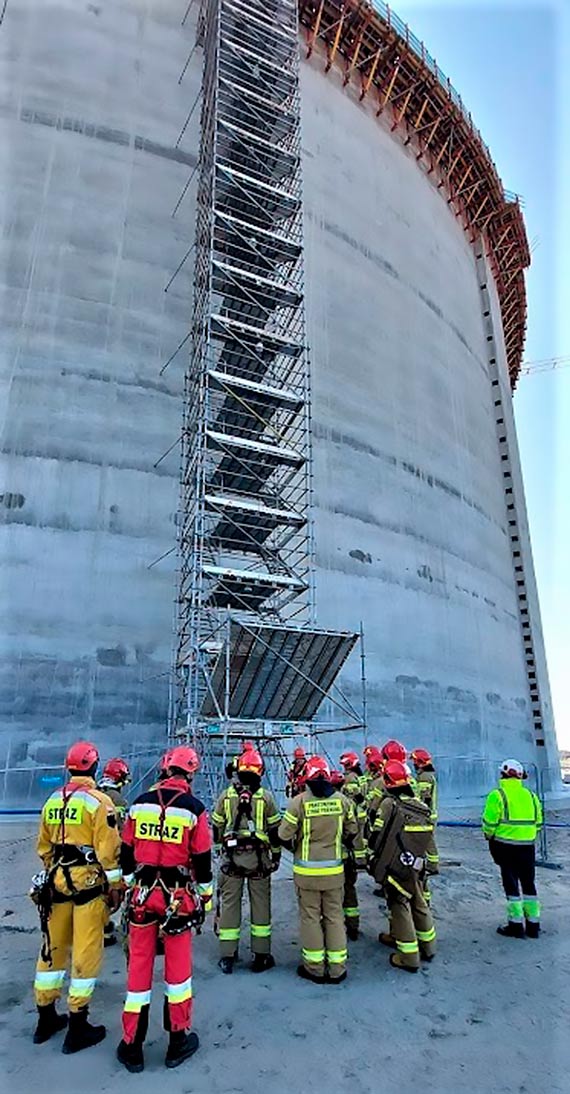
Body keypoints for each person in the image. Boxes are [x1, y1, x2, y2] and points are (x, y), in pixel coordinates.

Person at [116, 745, 213, 1073]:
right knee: (178, 974)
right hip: (177, 898)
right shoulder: (194, 808)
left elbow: (126, 852)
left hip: (142, 896)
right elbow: (202, 860)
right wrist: (205, 896)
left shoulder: (138, 803)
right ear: (190, 773)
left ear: (165, 770)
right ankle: (177, 1042)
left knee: (139, 970)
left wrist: (132, 883)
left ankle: (132, 1046)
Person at [32, 740, 122, 1052]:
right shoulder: (99, 803)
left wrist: (55, 870)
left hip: (55, 885)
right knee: (85, 952)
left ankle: (45, 1017)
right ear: (94, 767)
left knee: (52, 949)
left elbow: (43, 846)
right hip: (87, 887)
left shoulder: (52, 800)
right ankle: (77, 1024)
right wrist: (115, 886)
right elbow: (108, 851)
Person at [279, 755, 358, 984]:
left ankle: (314, 968)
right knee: (334, 916)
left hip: (307, 875)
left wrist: (294, 847)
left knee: (310, 918)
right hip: (334, 872)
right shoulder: (343, 802)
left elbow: (284, 835)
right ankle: (337, 969)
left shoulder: (299, 802)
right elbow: (352, 832)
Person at [212, 748, 281, 975]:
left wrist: (218, 849)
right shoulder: (266, 797)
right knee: (261, 906)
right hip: (259, 860)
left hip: (231, 860)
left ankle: (227, 956)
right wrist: (277, 855)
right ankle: (261, 956)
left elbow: (217, 826)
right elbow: (274, 831)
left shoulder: (226, 795)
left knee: (230, 905)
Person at [368, 759, 436, 973]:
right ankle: (428, 947)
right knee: (418, 901)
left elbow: (377, 834)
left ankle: (408, 957)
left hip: (395, 865)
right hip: (417, 863)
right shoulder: (421, 807)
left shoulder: (390, 804)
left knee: (399, 905)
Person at [482, 759, 542, 938]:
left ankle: (516, 926)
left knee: (511, 885)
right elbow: (538, 822)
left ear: (503, 774)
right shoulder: (531, 796)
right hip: (527, 847)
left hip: (505, 847)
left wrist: (489, 835)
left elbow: (489, 823)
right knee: (529, 883)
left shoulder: (497, 795)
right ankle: (533, 925)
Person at [98, 757, 131, 945]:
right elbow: (122, 828)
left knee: (98, 890)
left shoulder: (95, 791)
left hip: (93, 850)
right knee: (111, 891)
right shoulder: (116, 798)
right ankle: (103, 931)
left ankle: (103, 926)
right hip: (110, 851)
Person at [339, 752, 368, 938]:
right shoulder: (361, 776)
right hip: (361, 817)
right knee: (350, 890)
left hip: (353, 820)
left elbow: (352, 799)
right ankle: (353, 926)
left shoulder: (349, 779)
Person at [410, 748, 439, 902]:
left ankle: (433, 865)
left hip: (426, 815)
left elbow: (423, 799)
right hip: (428, 814)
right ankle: (432, 863)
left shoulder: (425, 778)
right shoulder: (425, 776)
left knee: (428, 840)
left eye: (415, 761)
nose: (413, 764)